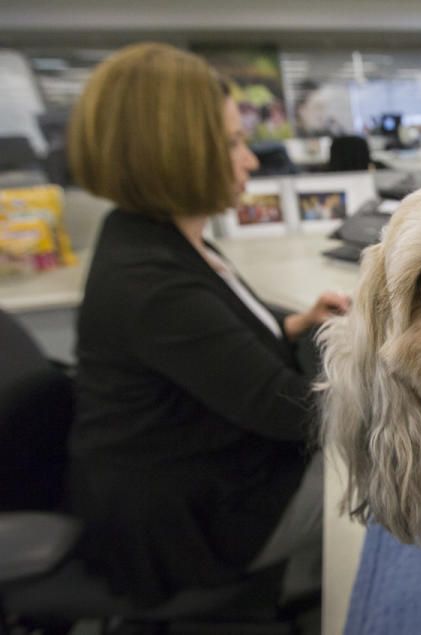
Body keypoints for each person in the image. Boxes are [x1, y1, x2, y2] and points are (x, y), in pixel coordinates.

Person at [66, 43, 350, 607]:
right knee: (394, 478)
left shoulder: (152, 235)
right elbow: (291, 412)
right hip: (193, 522)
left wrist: (295, 324)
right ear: (175, 154)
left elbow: (219, 318)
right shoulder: (152, 283)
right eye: (233, 144)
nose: (250, 161)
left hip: (194, 470)